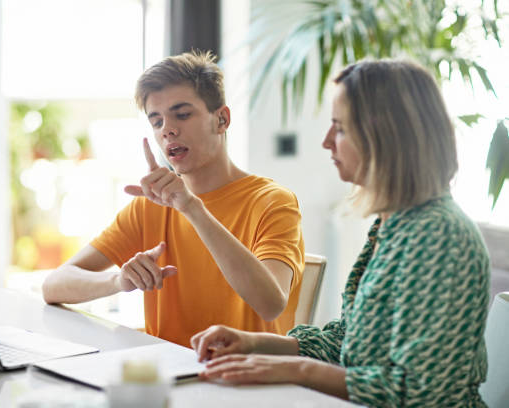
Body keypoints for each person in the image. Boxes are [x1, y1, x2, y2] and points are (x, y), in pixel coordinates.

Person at [190, 59, 490, 406]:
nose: (326, 142)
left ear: (386, 136)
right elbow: (350, 341)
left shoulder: (438, 237)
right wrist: (256, 344)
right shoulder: (393, 225)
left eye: (341, 128)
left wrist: (295, 370)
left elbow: (417, 391)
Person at [42, 50, 305, 348]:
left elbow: (270, 303)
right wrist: (118, 282)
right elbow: (53, 285)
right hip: (168, 373)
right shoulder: (148, 206)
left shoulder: (272, 202)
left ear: (221, 119)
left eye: (182, 114)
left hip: (245, 377)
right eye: (156, 121)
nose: (168, 130)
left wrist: (192, 207)